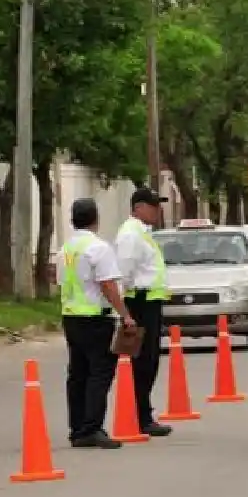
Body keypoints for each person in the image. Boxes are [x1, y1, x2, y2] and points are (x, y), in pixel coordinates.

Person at [57, 198, 135, 449]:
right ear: (96, 219)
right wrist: (125, 314)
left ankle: (77, 428)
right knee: (99, 373)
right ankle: (92, 427)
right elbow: (108, 285)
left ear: (73, 220)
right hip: (95, 318)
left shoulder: (65, 249)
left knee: (77, 374)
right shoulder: (98, 248)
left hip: (71, 316)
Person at [114, 187, 172, 437]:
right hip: (139, 301)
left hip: (149, 301)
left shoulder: (143, 232)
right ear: (138, 208)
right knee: (142, 362)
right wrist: (125, 310)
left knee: (149, 361)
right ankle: (140, 416)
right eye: (153, 206)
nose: (158, 211)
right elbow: (124, 271)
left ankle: (143, 413)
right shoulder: (130, 234)